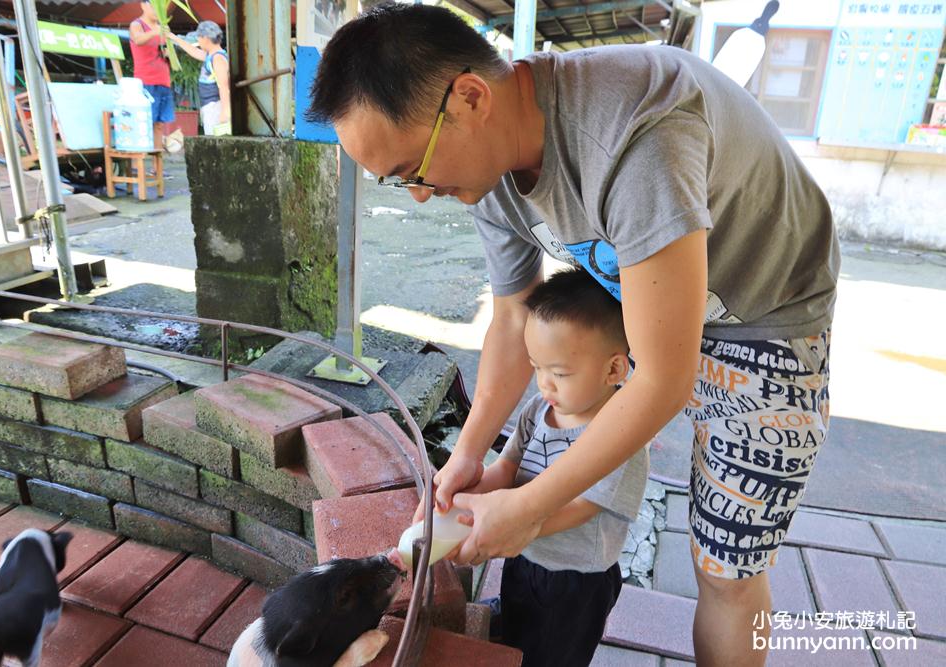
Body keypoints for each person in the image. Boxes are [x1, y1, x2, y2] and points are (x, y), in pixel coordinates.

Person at [307, 4, 838, 666]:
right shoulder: (487, 168)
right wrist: (470, 453)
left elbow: (663, 378)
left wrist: (531, 505)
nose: (417, 194)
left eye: (413, 169)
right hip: (652, 301)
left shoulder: (634, 136)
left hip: (769, 315)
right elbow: (511, 317)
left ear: (470, 97)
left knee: (726, 567)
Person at [464, 266, 646, 667]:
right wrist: (470, 498)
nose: (544, 384)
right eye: (536, 366)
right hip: (524, 555)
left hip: (576, 579)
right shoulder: (540, 409)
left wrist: (506, 525)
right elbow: (507, 466)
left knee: (555, 656)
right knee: (517, 636)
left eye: (559, 373)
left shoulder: (623, 434)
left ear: (614, 369)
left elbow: (582, 506)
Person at [167, 21, 231, 135]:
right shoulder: (210, 55)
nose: (198, 41)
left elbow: (224, 86)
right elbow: (194, 51)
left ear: (206, 38)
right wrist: (174, 38)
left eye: (199, 38)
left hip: (215, 107)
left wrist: (225, 112)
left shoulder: (218, 59)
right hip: (210, 107)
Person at [128, 0, 174, 151]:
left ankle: (158, 168)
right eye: (153, 6)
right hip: (145, 81)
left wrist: (169, 54)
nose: (157, 10)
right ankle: (137, 165)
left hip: (164, 81)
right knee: (143, 123)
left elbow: (167, 54)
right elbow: (137, 39)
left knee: (159, 124)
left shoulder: (162, 28)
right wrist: (156, 31)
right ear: (143, 5)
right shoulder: (137, 24)